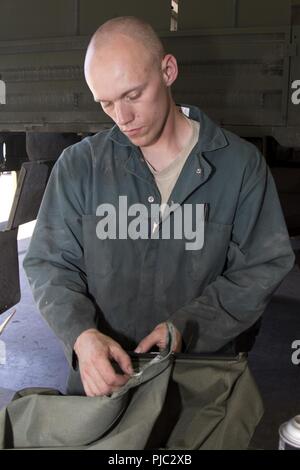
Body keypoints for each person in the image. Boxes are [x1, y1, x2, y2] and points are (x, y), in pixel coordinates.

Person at [23, 16, 295, 398]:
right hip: (102, 391)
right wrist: (82, 337)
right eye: (107, 103)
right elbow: (50, 263)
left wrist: (186, 326)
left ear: (168, 70)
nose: (123, 118)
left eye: (133, 95)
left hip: (197, 386)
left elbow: (262, 266)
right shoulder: (79, 167)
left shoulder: (240, 166)